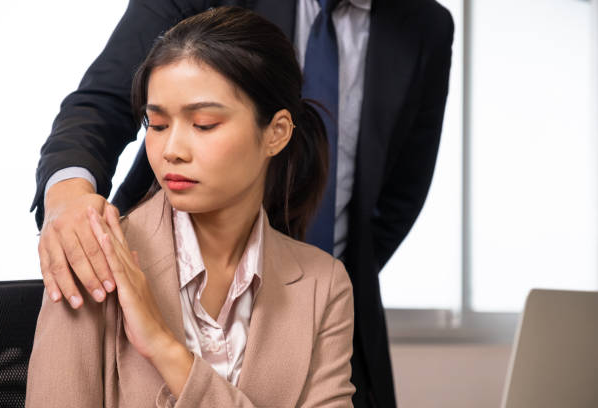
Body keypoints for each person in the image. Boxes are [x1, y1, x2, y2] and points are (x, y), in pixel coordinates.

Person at [32, 0, 454, 406]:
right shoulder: (93, 263)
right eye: (156, 124)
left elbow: (400, 196)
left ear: (278, 132)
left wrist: (166, 348)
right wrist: (69, 200)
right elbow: (100, 104)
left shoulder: (324, 286)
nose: (171, 149)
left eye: (204, 124)